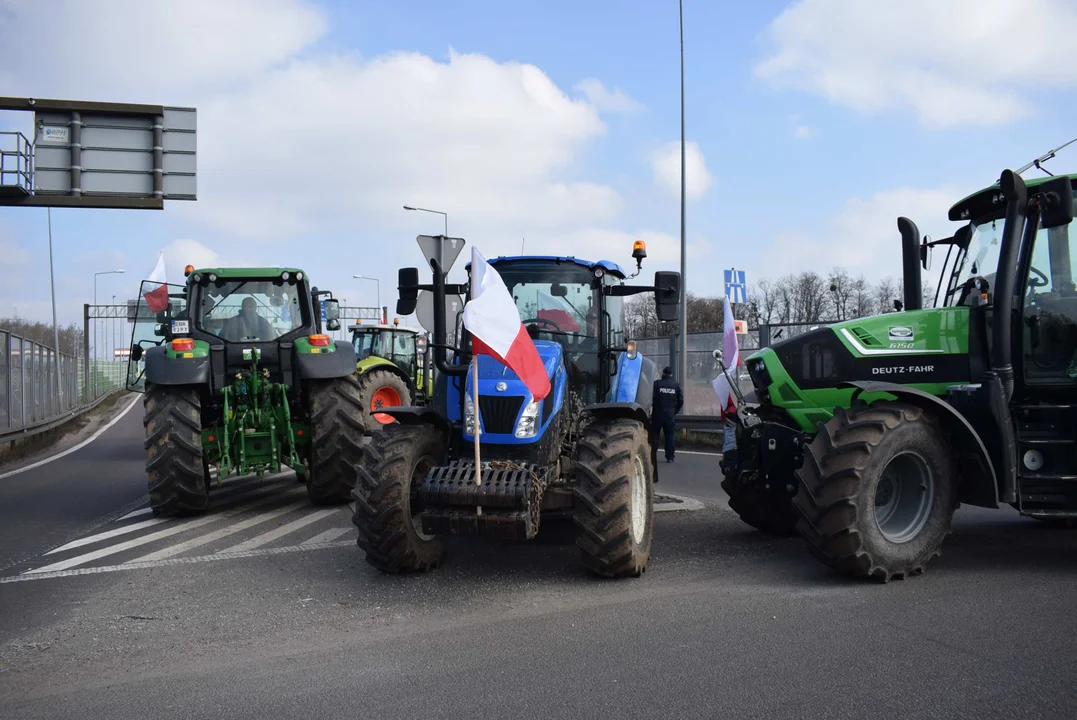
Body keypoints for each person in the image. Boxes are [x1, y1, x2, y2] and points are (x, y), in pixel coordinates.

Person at [652, 366, 684, 462]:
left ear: (663, 372)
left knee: (654, 436)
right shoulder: (676, 386)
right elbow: (681, 401)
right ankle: (670, 457)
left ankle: (652, 456)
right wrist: (674, 411)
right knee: (669, 436)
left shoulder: (656, 384)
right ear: (671, 375)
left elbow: (650, 398)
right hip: (670, 415)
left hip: (657, 414)